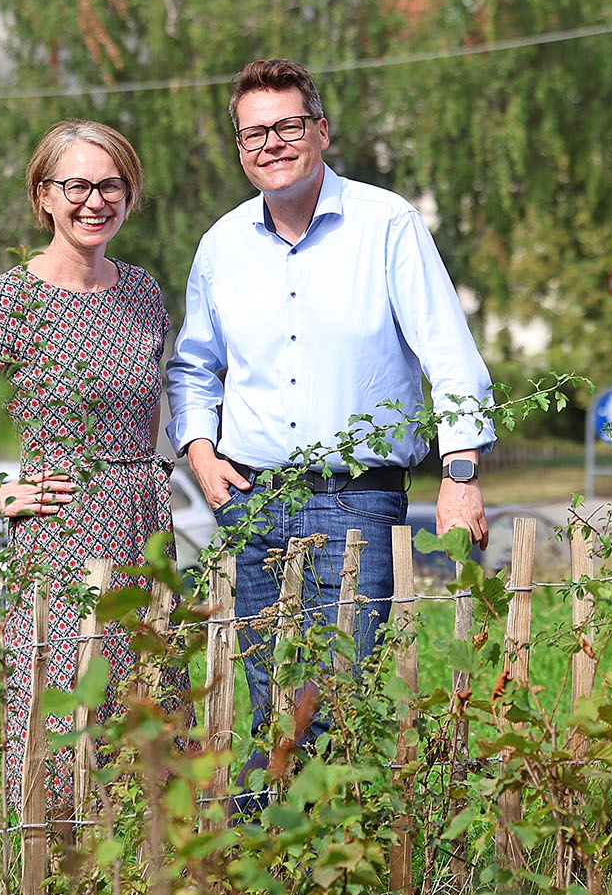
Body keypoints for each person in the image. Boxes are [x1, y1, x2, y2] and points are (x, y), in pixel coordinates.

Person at [166, 58, 494, 790]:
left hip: (357, 499)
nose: (272, 144)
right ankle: (269, 848)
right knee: (268, 704)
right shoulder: (221, 245)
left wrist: (461, 472)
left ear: (320, 129)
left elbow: (448, 352)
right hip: (250, 499)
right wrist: (200, 451)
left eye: (287, 126)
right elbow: (192, 366)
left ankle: (316, 846)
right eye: (254, 133)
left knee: (337, 703)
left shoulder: (388, 225)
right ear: (239, 147)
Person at [0, 120, 172, 815]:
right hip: (62, 530)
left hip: (145, 526)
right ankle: (50, 872)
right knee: (62, 716)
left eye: (111, 185)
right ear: (44, 195)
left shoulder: (142, 291)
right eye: (76, 185)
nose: (95, 201)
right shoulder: (15, 297)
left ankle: (137, 875)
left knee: (148, 711)